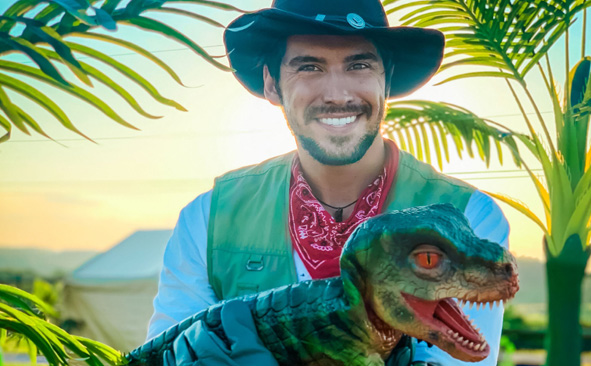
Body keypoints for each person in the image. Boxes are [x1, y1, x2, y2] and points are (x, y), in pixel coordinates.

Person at [146, 0, 510, 365]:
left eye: (360, 65)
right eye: (309, 67)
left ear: (387, 79)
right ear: (272, 84)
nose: (337, 94)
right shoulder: (208, 219)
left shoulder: (470, 217)